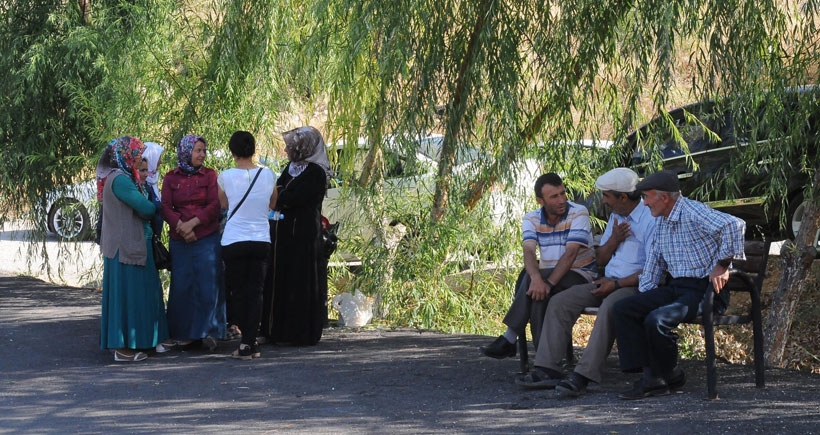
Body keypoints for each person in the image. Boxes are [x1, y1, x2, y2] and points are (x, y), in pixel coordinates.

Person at [514, 168, 656, 393]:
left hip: (634, 286)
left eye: (607, 196)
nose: (603, 201)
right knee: (560, 301)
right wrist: (614, 240)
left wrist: (617, 284)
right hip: (606, 280)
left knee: (612, 305)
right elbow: (599, 257)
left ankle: (583, 375)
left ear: (622, 197)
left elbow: (652, 271)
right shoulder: (617, 217)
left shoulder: (651, 219)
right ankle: (547, 369)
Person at [612, 170, 746, 400]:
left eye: (646, 197)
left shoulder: (692, 211)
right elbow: (654, 263)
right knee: (624, 309)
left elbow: (734, 225)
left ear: (663, 197)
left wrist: (723, 265)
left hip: (706, 290)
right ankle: (653, 376)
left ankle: (668, 373)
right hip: (677, 288)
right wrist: (642, 297)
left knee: (657, 319)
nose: (644, 203)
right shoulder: (662, 221)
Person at [480, 173, 597, 359]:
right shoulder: (531, 218)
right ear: (540, 200)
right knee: (536, 292)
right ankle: (546, 362)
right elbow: (528, 251)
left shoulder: (578, 212)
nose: (561, 200)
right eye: (554, 196)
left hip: (579, 275)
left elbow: (571, 254)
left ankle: (510, 339)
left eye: (562, 193)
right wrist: (537, 280)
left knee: (536, 287)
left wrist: (546, 284)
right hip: (547, 276)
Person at [98, 136, 169, 362]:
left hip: (131, 246)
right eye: (136, 153)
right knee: (126, 297)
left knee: (141, 295)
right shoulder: (120, 180)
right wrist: (154, 206)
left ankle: (140, 341)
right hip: (124, 248)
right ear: (125, 155)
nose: (140, 158)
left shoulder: (126, 177)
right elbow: (146, 208)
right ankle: (122, 348)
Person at [262, 126, 331, 346]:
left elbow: (291, 197)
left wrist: (281, 195)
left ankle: (299, 332)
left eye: (291, 146)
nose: (287, 150)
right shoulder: (291, 168)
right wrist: (280, 194)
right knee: (280, 278)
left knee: (300, 280)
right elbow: (277, 191)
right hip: (283, 233)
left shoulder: (316, 173)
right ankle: (276, 330)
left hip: (303, 235)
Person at [160, 134, 225, 352]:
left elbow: (214, 205)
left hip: (206, 237)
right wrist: (182, 226)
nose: (202, 155)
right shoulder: (171, 178)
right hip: (181, 240)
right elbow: (166, 207)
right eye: (198, 150)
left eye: (204, 151)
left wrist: (194, 224)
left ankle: (209, 331)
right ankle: (185, 334)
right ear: (186, 152)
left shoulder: (210, 176)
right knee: (183, 285)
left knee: (208, 284)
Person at [218, 131, 277, 360]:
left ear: (232, 152)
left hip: (233, 240)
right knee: (256, 292)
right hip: (260, 239)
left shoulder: (224, 176)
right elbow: (273, 203)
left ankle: (245, 343)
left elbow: (223, 205)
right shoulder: (268, 174)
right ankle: (250, 342)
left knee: (239, 292)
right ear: (254, 149)